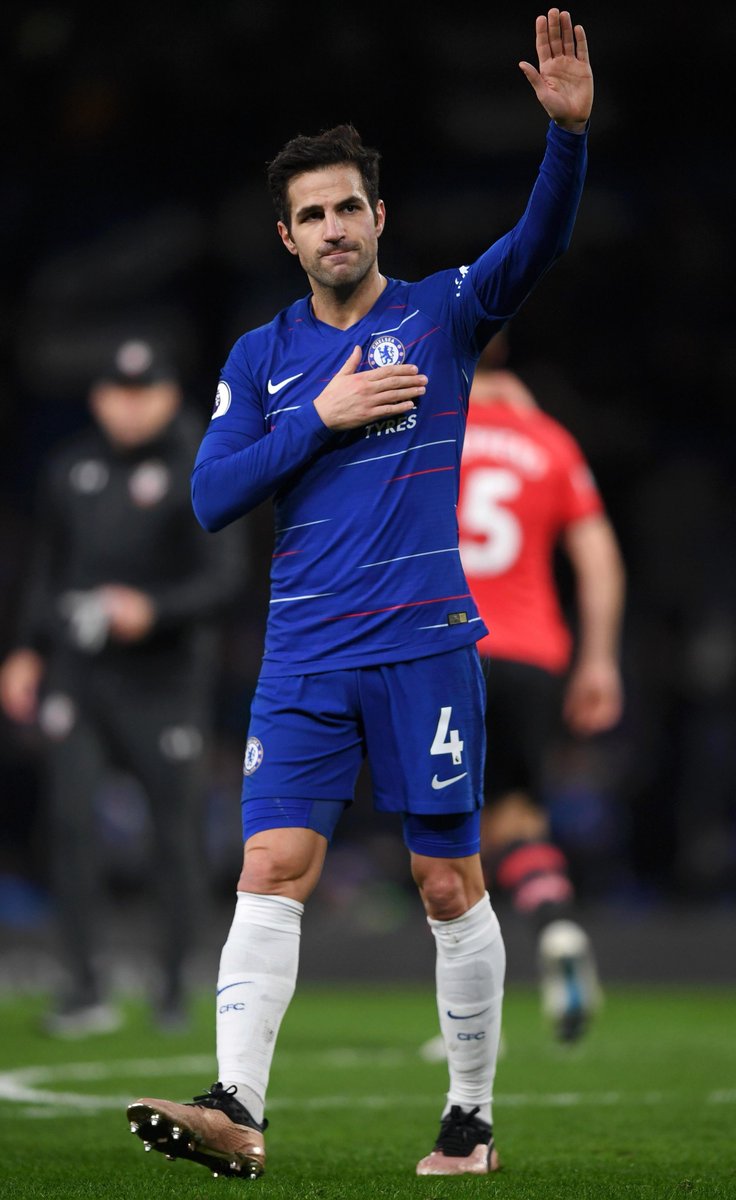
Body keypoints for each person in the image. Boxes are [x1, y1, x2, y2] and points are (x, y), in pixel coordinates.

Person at [126, 9, 593, 1178]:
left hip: (426, 648)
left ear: (378, 217)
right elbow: (211, 496)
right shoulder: (260, 357)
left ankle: (471, 1118)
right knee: (270, 867)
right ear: (285, 236)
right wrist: (319, 419)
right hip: (302, 660)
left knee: (447, 881)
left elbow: (533, 248)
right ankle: (236, 1104)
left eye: (349, 206)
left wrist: (568, 141)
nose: (334, 227)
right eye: (311, 214)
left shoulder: (439, 315)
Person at [0, 338, 246, 1035]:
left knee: (173, 835)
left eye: (146, 392)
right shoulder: (72, 466)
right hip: (79, 675)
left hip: (164, 682)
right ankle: (83, 988)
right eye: (117, 391)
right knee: (71, 825)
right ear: (98, 397)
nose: (130, 406)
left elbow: (225, 577)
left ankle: (171, 988)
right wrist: (23, 650)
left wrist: (151, 609)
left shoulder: (205, 464)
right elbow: (47, 568)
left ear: (170, 394)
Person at [458, 341, 624, 1041]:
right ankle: (556, 927)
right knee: (517, 816)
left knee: (448, 834)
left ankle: (465, 1006)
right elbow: (601, 561)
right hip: (531, 655)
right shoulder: (550, 441)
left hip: (445, 646)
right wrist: (600, 663)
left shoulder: (427, 423)